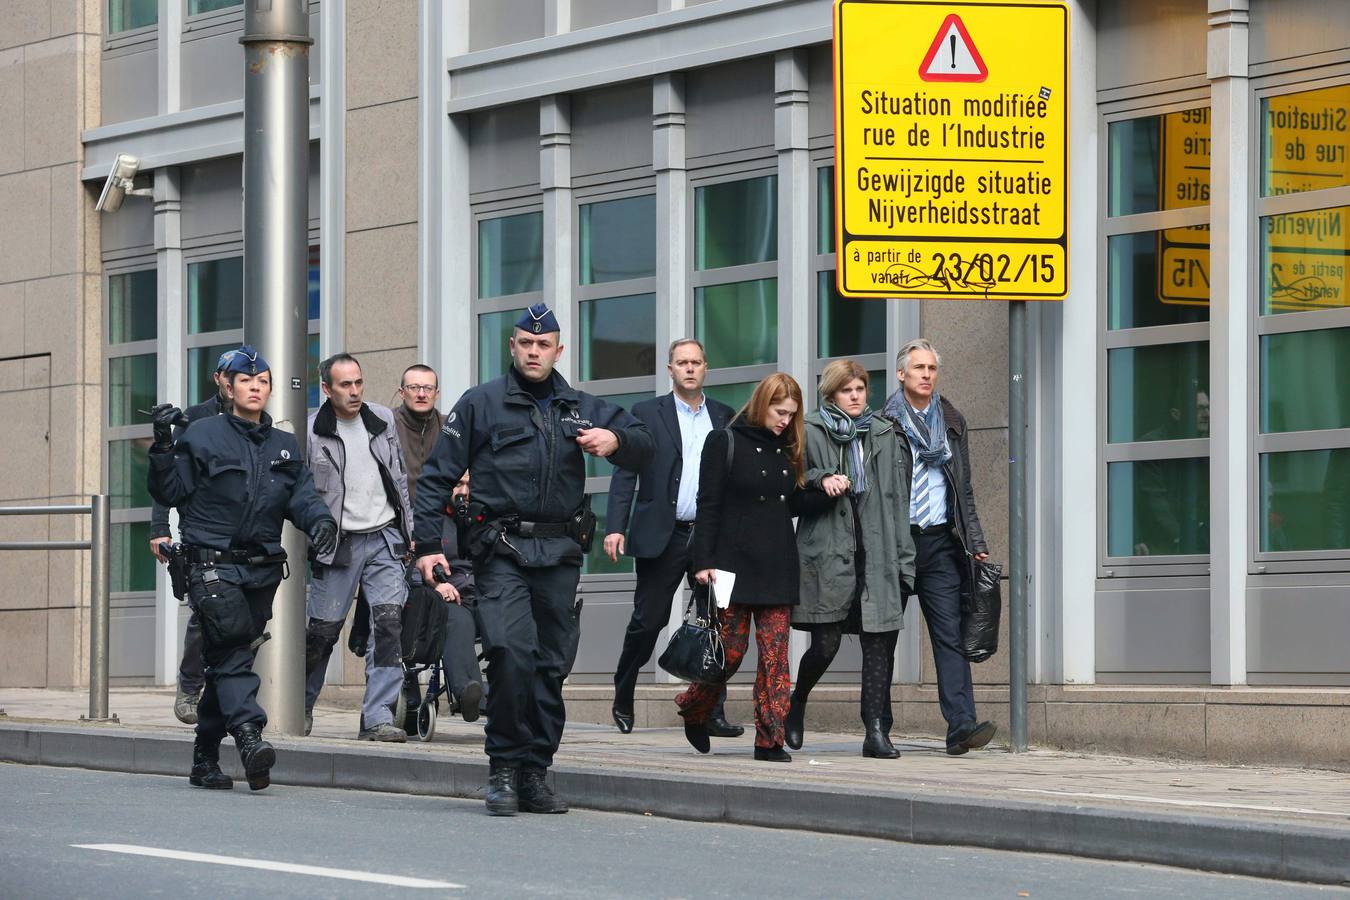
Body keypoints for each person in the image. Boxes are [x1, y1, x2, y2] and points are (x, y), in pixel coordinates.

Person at [413, 303, 653, 816]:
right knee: (508, 652)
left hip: (561, 554)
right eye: (526, 343)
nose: (534, 351)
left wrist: (616, 441)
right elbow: (435, 478)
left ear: (558, 351)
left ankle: (534, 772)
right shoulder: (481, 404)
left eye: (543, 345)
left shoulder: (578, 406)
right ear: (513, 346)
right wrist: (430, 545)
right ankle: (502, 768)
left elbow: (645, 444)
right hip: (502, 551)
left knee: (550, 666)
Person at [147, 345, 337, 792]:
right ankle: (250, 736)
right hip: (210, 565)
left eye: (263, 381)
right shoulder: (202, 434)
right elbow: (169, 490)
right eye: (246, 380)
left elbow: (302, 497)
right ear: (227, 386)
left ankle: (204, 758)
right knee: (231, 649)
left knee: (229, 658)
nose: (256, 387)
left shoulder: (284, 445)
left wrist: (322, 522)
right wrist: (161, 446)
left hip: (261, 570)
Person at [604, 338, 742, 738]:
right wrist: (615, 526)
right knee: (648, 621)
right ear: (670, 370)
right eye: (681, 362)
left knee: (716, 624)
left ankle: (710, 709)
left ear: (705, 368)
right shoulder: (646, 413)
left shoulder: (724, 415)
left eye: (696, 362)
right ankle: (624, 688)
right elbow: (625, 473)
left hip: (711, 539)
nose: (689, 368)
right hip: (662, 535)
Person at [676, 373, 811, 763]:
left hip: (778, 565)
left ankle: (770, 739)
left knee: (775, 656)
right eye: (779, 411)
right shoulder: (725, 441)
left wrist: (831, 487)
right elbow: (709, 505)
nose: (785, 420)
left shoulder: (788, 449)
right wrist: (703, 562)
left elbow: (794, 503)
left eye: (791, 414)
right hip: (730, 567)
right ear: (761, 404)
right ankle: (694, 707)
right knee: (729, 653)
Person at [788, 360, 916, 758]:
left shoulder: (883, 433)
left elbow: (898, 501)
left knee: (879, 647)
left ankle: (874, 731)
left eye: (861, 388)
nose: (856, 396)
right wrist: (820, 476)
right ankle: (797, 703)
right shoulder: (809, 430)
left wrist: (905, 562)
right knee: (824, 646)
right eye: (847, 390)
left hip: (877, 554)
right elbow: (790, 483)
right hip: (828, 554)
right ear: (831, 394)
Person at [883, 339, 997, 756]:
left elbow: (962, 489)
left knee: (949, 636)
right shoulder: (884, 424)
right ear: (901, 375)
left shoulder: (952, 420)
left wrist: (975, 540)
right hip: (897, 544)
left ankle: (961, 726)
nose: (927, 375)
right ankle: (877, 727)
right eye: (918, 368)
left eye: (932, 368)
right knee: (883, 638)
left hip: (941, 541)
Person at [302, 353, 415, 742]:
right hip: (338, 545)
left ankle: (378, 717)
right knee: (322, 633)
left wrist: (409, 532)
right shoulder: (311, 431)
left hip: (384, 538)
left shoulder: (381, 418)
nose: (354, 391)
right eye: (345, 385)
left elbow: (399, 478)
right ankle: (298, 706)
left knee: (388, 626)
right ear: (326, 389)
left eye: (358, 383)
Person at [148, 348, 238, 725]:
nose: (244, 386)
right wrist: (158, 528)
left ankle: (233, 693)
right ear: (218, 379)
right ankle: (189, 688)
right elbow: (168, 476)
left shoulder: (264, 420)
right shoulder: (195, 418)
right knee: (204, 616)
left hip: (247, 534)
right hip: (202, 530)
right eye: (234, 377)